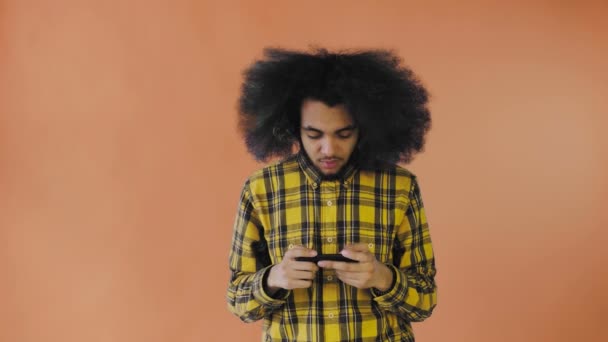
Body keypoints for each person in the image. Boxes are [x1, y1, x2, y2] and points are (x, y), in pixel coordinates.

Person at [226, 47, 437, 342]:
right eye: (314, 135)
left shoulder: (398, 187)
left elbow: (424, 301)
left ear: (365, 128)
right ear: (292, 129)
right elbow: (238, 301)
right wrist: (274, 279)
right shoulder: (262, 189)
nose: (329, 149)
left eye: (343, 134)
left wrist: (381, 277)